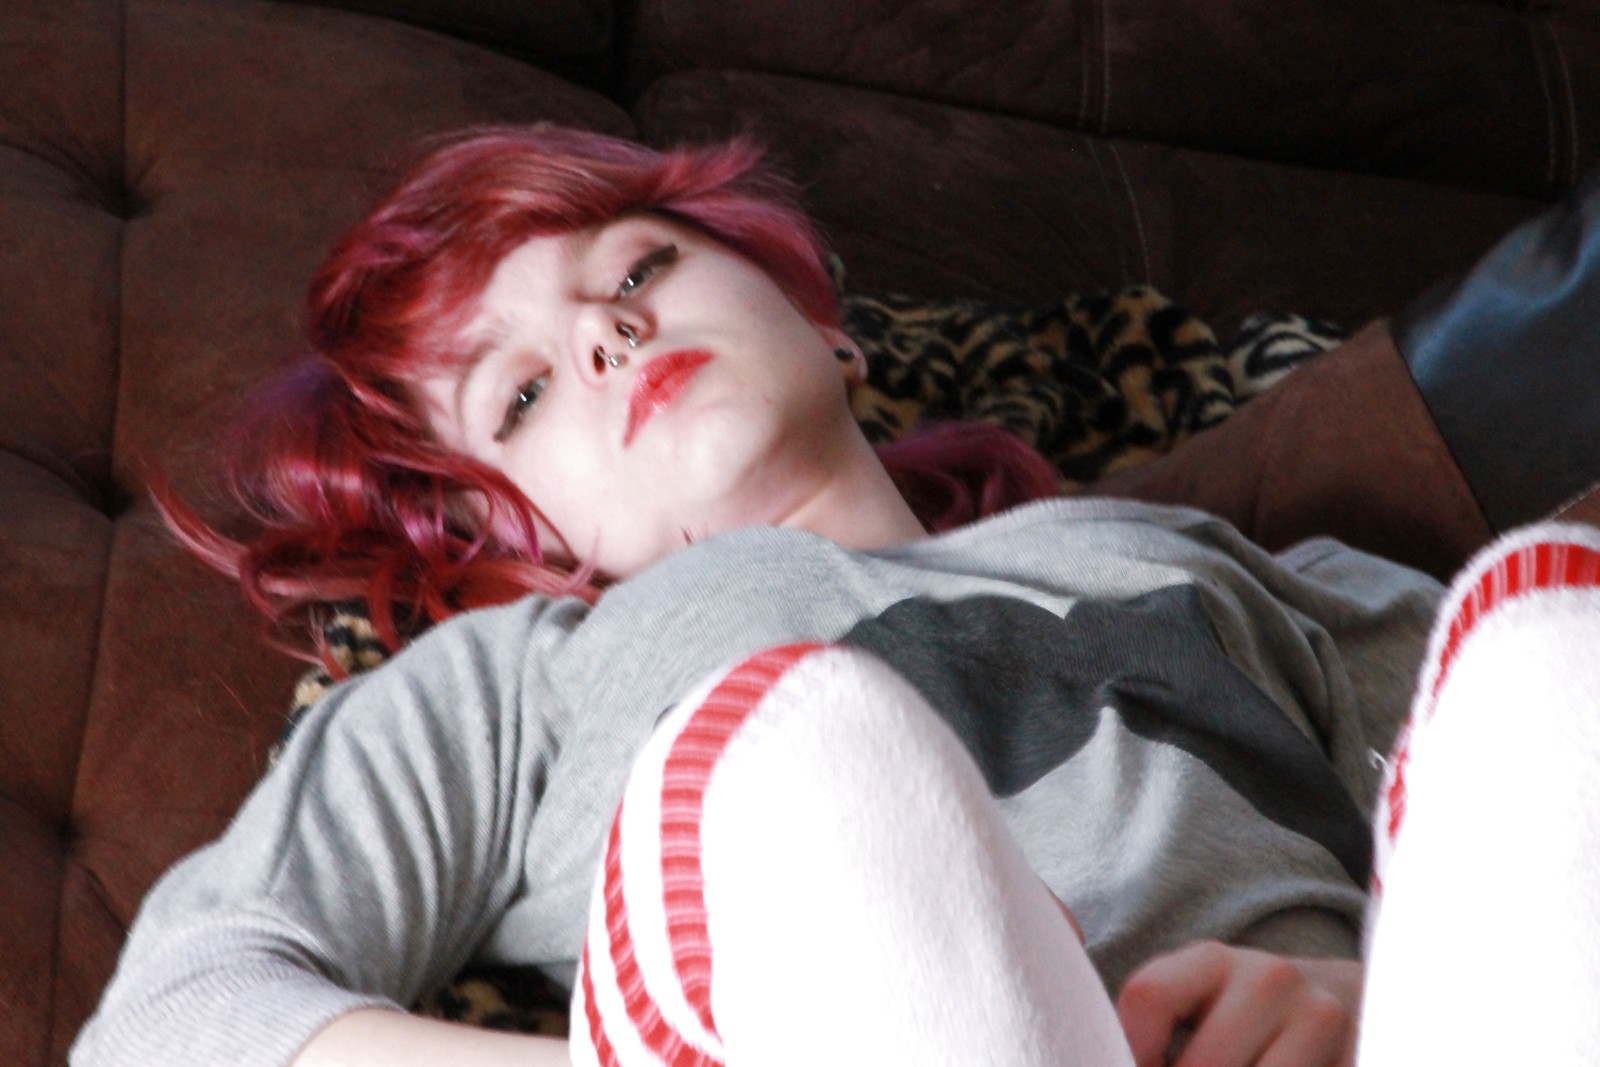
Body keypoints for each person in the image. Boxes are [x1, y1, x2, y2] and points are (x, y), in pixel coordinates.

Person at [64, 125, 1587, 1067]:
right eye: (520, 396)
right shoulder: (523, 679)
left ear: (823, 325)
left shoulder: (1202, 558)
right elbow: (176, 1022)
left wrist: (1362, 991)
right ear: (527, 529)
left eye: (636, 270)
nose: (605, 336)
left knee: (1546, 647)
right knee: (817, 745)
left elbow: (1502, 843)